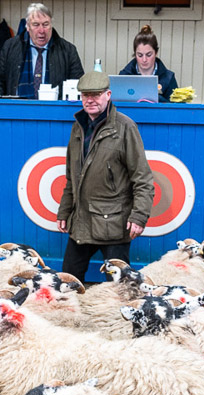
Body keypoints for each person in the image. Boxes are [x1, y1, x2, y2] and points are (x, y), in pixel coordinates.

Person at [56, 72, 154, 282]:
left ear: (108, 95)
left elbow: (143, 179)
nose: (90, 100)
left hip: (114, 225)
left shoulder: (125, 127)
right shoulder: (78, 127)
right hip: (81, 222)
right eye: (86, 95)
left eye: (96, 94)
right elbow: (72, 177)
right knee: (67, 282)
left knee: (119, 289)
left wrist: (139, 216)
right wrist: (64, 211)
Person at [0, 3, 84, 98]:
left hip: (53, 108)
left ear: (51, 25)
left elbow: (79, 84)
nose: (41, 30)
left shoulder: (68, 50)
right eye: (36, 25)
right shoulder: (10, 47)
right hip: (17, 107)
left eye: (45, 25)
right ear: (27, 26)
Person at [118, 25, 178, 103]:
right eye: (140, 55)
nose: (144, 59)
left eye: (149, 55)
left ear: (156, 53)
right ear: (135, 54)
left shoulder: (168, 78)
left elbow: (176, 107)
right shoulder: (123, 77)